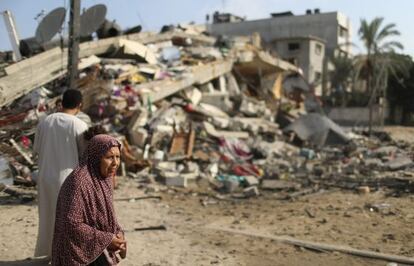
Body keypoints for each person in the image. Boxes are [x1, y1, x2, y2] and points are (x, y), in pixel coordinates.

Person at [52, 134, 126, 265]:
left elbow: (107, 213)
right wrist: (108, 239)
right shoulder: (79, 182)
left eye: (118, 157)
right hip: (76, 251)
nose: (115, 163)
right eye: (109, 157)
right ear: (96, 158)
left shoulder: (105, 178)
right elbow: (72, 224)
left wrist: (118, 233)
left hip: (97, 246)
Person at [33, 89, 88, 257]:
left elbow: (35, 150)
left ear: (62, 102)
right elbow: (85, 155)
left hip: (45, 178)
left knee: (48, 216)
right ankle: (65, 254)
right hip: (69, 179)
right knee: (70, 219)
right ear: (80, 105)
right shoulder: (79, 124)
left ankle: (50, 253)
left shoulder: (45, 122)